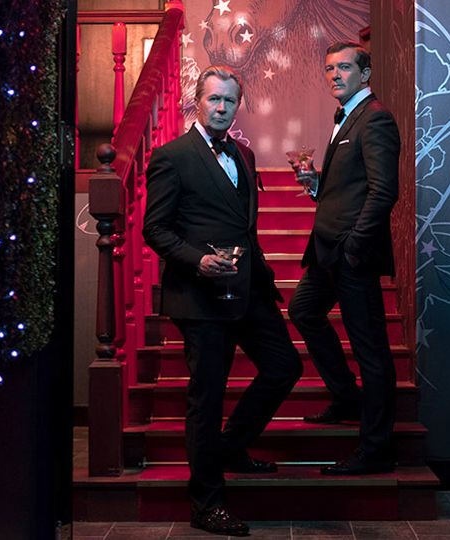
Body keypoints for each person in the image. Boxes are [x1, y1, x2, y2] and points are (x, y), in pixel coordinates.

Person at [143, 65, 302, 537]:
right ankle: (206, 504)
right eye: (213, 99)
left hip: (248, 287)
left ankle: (230, 447)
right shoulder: (172, 156)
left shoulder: (243, 153)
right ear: (198, 101)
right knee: (206, 400)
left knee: (284, 367)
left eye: (229, 100)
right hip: (201, 296)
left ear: (238, 106)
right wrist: (197, 260)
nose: (221, 107)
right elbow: (155, 229)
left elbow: (244, 225)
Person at [288, 42, 401, 475]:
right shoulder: (347, 116)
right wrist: (315, 183)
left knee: (371, 350)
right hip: (326, 250)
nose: (335, 75)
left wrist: (354, 246)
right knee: (304, 311)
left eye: (345, 67)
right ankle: (347, 397)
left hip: (351, 254)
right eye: (329, 68)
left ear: (365, 74)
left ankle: (376, 449)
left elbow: (383, 191)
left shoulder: (375, 118)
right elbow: (347, 189)